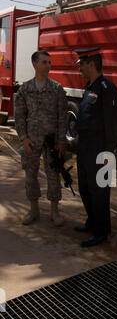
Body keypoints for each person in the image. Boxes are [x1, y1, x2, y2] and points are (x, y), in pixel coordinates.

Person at [74, 48, 117, 248]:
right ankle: (92, 221)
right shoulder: (89, 86)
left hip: (98, 148)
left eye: (82, 65)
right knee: (85, 187)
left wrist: (108, 152)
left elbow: (113, 123)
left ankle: (101, 231)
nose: (80, 70)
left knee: (99, 191)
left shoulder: (106, 87)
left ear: (91, 64)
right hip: (84, 146)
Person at [14, 50, 68, 226]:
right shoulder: (25, 89)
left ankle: (54, 211)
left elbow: (62, 117)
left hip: (51, 141)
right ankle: (33, 210)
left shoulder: (57, 89)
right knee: (30, 175)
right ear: (35, 64)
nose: (48, 66)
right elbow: (20, 116)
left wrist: (61, 141)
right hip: (31, 141)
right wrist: (23, 138)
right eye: (44, 62)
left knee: (53, 175)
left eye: (49, 62)